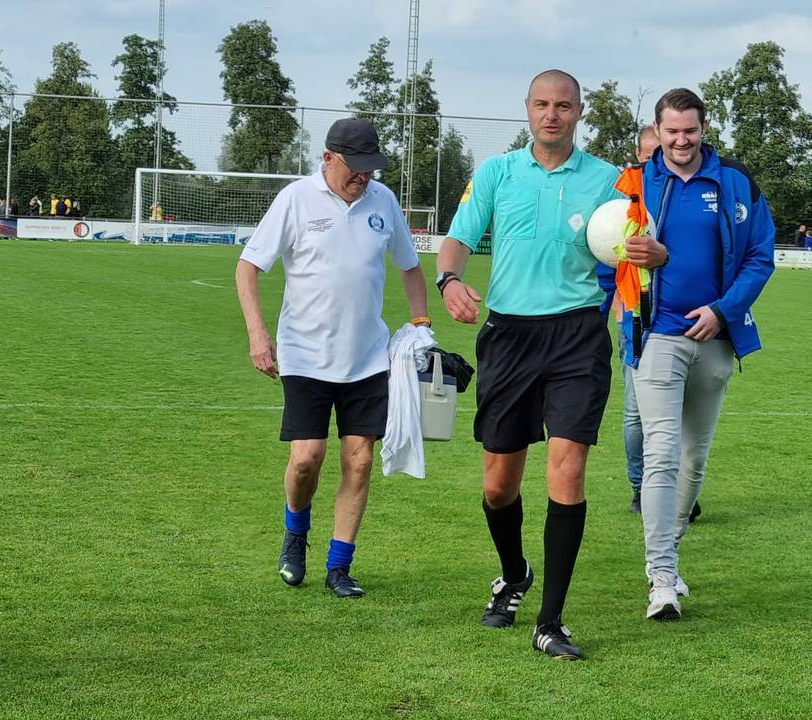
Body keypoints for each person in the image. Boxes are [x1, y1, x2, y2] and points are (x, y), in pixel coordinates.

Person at [434, 69, 622, 661]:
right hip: (509, 336)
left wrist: (641, 265)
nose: (552, 114)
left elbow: (633, 250)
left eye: (563, 105)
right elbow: (458, 240)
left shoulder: (611, 181)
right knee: (498, 486)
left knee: (566, 474)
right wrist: (448, 279)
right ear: (527, 109)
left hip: (577, 336)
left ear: (579, 111)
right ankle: (514, 575)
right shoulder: (496, 172)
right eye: (542, 104)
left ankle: (551, 621)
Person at [235, 118, 429, 599]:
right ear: (328, 158)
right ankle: (295, 534)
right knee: (306, 459)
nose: (364, 177)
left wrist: (422, 326)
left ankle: (340, 565)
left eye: (371, 168)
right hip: (304, 355)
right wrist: (258, 334)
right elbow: (248, 267)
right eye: (356, 168)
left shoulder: (382, 202)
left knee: (359, 462)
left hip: (368, 358)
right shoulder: (295, 199)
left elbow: (409, 266)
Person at [620, 88, 774, 621]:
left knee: (694, 457)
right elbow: (607, 254)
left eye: (689, 130)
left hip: (715, 337)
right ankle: (660, 577)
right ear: (656, 132)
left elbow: (760, 257)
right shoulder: (634, 184)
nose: (680, 140)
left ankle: (671, 551)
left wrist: (722, 311)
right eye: (671, 131)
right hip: (657, 334)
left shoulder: (736, 182)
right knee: (661, 452)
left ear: (703, 128)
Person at [598, 125, 660, 514]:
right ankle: (640, 488)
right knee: (637, 412)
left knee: (677, 416)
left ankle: (673, 488)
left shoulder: (684, 193)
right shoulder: (621, 199)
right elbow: (606, 256)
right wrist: (616, 305)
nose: (656, 160)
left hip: (679, 316)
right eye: (649, 154)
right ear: (639, 154)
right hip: (635, 319)